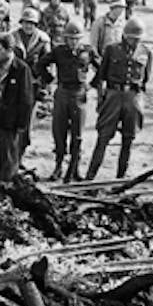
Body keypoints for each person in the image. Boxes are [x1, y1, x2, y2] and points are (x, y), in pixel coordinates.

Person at [86, 17, 152, 180]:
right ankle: (90, 177)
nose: (134, 42)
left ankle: (120, 178)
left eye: (137, 39)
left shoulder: (146, 52)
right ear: (124, 36)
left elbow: (145, 78)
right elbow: (101, 75)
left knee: (128, 138)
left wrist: (138, 99)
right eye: (131, 38)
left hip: (132, 98)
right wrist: (99, 95)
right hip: (113, 96)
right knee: (103, 136)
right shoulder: (112, 50)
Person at [36, 20, 100, 183]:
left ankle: (75, 168)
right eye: (70, 38)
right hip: (62, 93)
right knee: (59, 131)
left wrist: (91, 85)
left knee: (78, 135)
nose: (73, 41)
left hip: (79, 94)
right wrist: (50, 79)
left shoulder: (88, 51)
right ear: (65, 39)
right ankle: (58, 166)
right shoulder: (59, 51)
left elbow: (101, 68)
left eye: (76, 38)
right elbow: (41, 64)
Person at [0, 33, 34, 183]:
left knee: (9, 161)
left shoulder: (21, 69)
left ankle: (7, 192)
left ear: (9, 50)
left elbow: (26, 100)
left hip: (10, 124)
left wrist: (21, 124)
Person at [12, 7, 51, 162]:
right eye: (26, 23)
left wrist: (46, 88)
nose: (28, 26)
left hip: (33, 86)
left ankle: (20, 154)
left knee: (26, 123)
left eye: (32, 23)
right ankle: (13, 156)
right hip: (14, 85)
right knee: (13, 121)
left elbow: (48, 66)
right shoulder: (13, 37)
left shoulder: (43, 40)